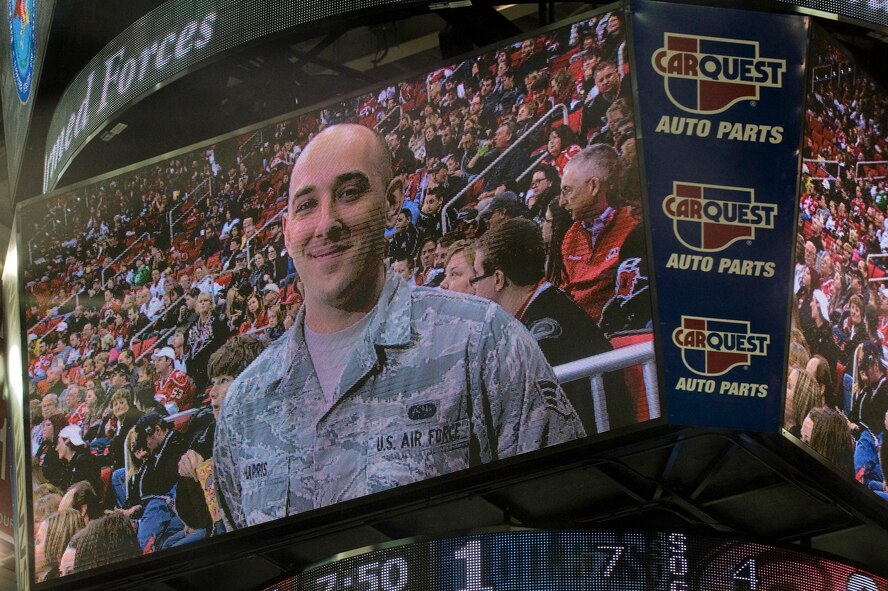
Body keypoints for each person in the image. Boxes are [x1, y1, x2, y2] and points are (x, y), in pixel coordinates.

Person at [215, 124, 585, 530]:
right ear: (287, 230)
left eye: (349, 193)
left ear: (393, 201)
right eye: (305, 205)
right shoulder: (244, 406)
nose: (325, 223)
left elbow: (568, 530)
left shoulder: (483, 342)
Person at [472, 218, 635, 433]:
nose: (473, 287)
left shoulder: (547, 327)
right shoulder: (546, 303)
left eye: (476, 277)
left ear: (499, 279)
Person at [559, 144, 645, 324]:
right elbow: (566, 292)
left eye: (567, 190)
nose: (561, 202)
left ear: (594, 186)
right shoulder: (570, 237)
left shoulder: (633, 225)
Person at [56, 425, 103, 497]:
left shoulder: (85, 461)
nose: (57, 448)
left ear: (67, 441)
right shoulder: (68, 465)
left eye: (59, 443)